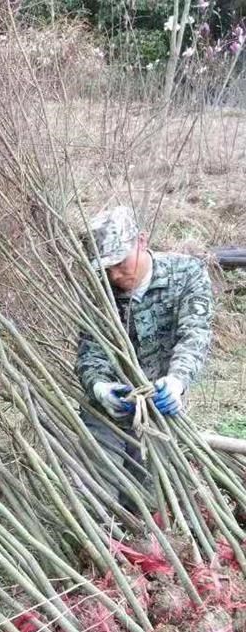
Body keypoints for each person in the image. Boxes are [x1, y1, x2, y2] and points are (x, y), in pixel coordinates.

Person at [76, 205, 214, 505]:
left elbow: (195, 335)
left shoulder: (187, 273)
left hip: (162, 402)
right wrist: (100, 387)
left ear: (141, 241)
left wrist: (177, 382)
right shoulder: (99, 290)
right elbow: (91, 351)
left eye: (119, 262)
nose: (114, 274)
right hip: (111, 404)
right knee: (96, 491)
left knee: (149, 498)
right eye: (105, 267)